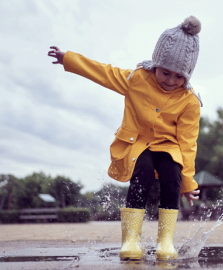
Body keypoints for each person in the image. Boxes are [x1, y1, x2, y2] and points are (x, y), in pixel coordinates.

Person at [48, 16, 202, 261]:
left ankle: (165, 242)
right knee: (142, 170)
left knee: (172, 172)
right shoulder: (137, 79)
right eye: (165, 72)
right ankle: (131, 239)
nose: (171, 81)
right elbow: (105, 73)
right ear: (156, 64)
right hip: (138, 143)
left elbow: (188, 143)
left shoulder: (190, 101)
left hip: (170, 147)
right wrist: (69, 59)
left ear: (188, 75)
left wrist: (188, 182)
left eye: (179, 76)